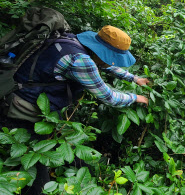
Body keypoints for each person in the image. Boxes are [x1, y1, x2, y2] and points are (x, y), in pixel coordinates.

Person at [4, 25, 149, 122]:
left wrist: (135, 78)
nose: (113, 62)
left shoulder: (73, 41)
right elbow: (110, 97)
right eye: (112, 58)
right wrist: (136, 97)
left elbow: (104, 65)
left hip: (21, 87)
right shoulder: (81, 61)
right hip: (23, 105)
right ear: (102, 53)